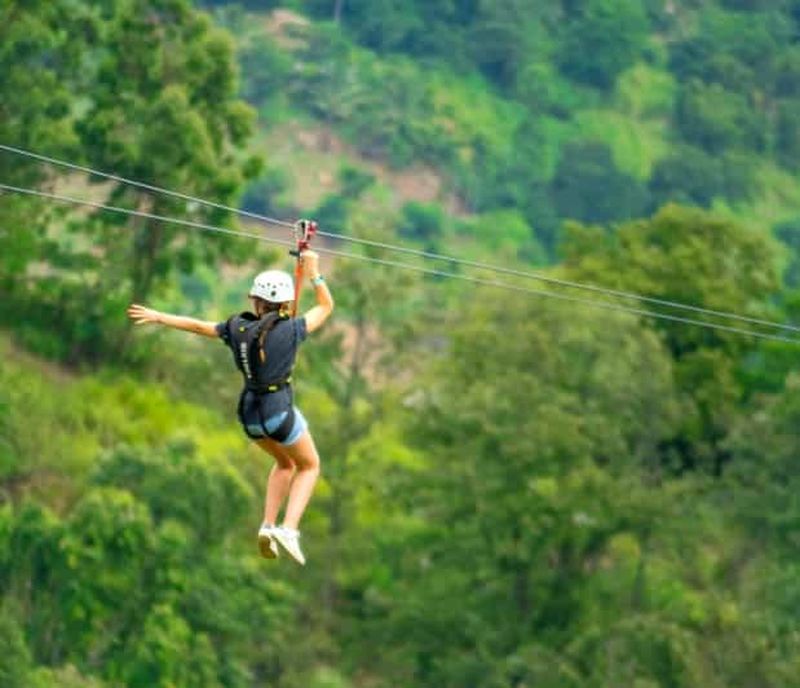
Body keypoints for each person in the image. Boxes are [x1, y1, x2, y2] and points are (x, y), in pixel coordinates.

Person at [126, 250, 333, 565]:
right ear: (284, 305)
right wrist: (315, 273)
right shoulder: (293, 330)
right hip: (278, 411)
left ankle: (267, 526)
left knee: (284, 464)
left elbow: (197, 326)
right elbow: (326, 307)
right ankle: (288, 529)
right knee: (309, 465)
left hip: (250, 416)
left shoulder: (237, 328)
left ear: (256, 302)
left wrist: (159, 316)